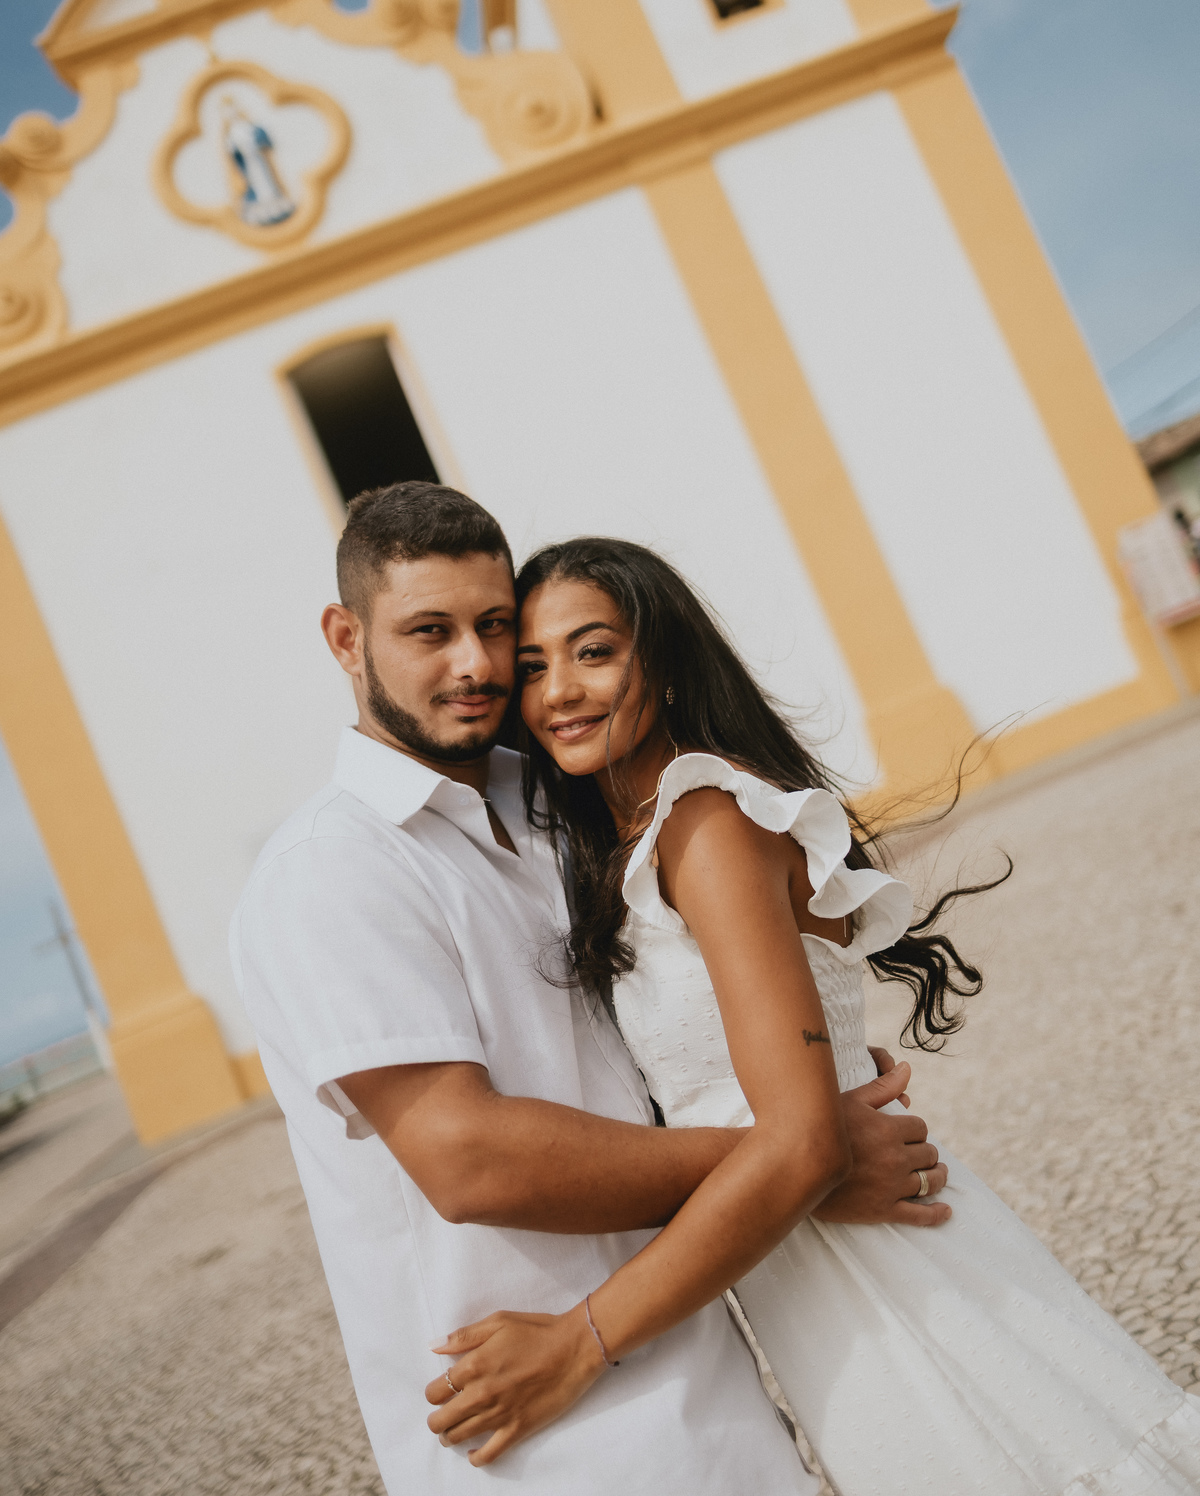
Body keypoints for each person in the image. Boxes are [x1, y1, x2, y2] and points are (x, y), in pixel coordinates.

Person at [433, 536, 1200, 1493]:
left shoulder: (705, 823)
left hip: (883, 1276)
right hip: (805, 1278)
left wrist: (577, 1343)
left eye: (593, 652)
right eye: (533, 666)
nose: (558, 693)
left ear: (662, 661)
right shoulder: (635, 843)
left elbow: (801, 1143)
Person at [230, 484, 950, 1496]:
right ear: (347, 640)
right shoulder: (331, 871)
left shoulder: (559, 803)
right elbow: (467, 1158)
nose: (477, 665)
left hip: (706, 1365)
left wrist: (801, 1146)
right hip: (534, 1419)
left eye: (495, 628)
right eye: (430, 632)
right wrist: (807, 1154)